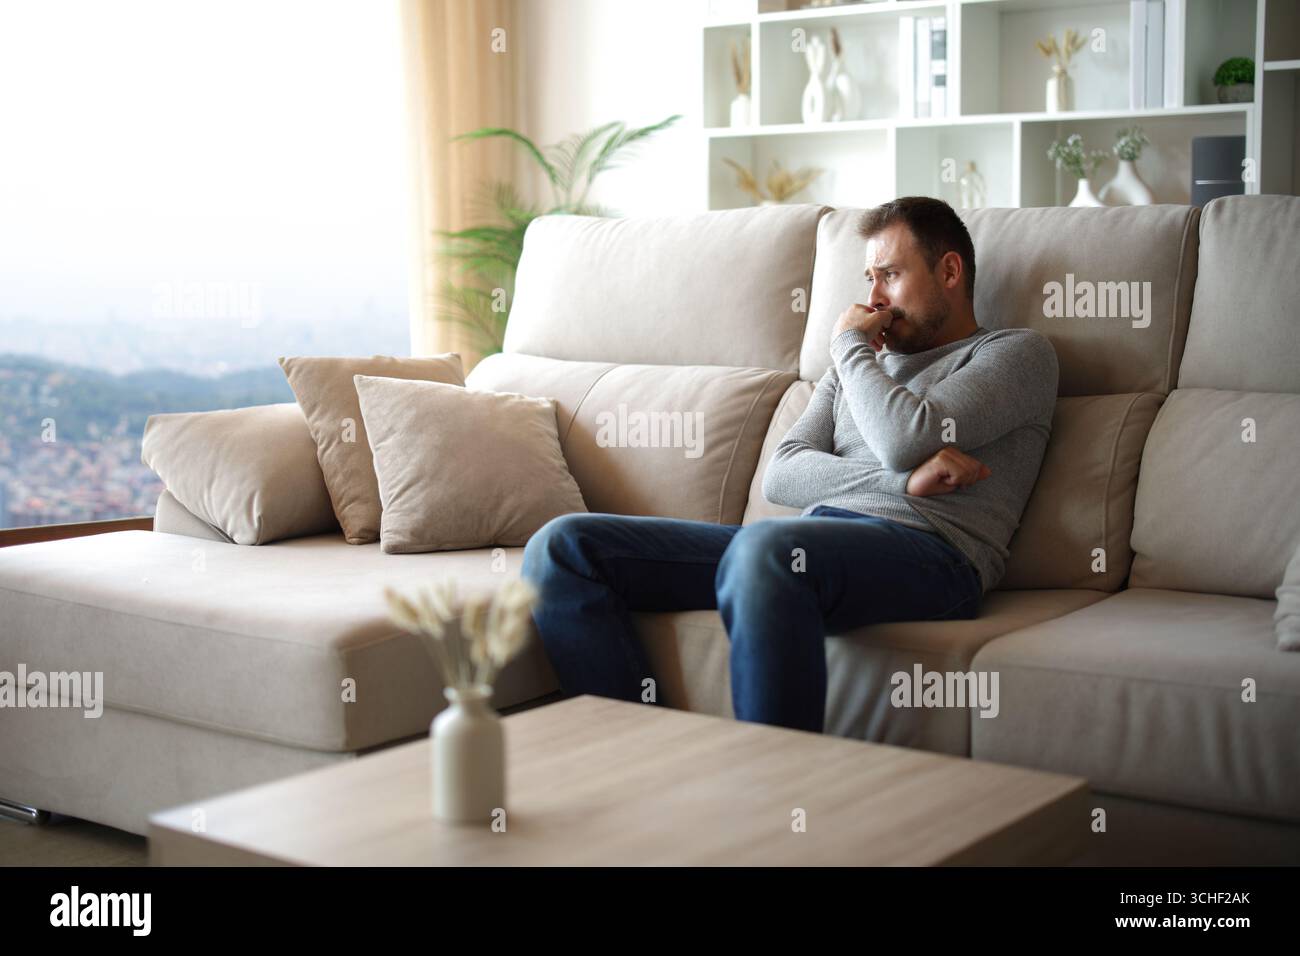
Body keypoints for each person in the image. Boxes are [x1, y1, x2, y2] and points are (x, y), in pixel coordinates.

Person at [521, 196, 1059, 733]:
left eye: (890, 276)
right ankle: (642, 756)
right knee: (563, 547)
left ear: (948, 271)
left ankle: (778, 791)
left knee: (766, 549)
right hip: (809, 546)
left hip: (934, 556)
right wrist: (901, 481)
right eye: (869, 279)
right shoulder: (855, 365)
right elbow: (783, 472)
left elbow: (906, 434)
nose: (874, 299)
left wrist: (848, 347)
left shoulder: (1015, 354)